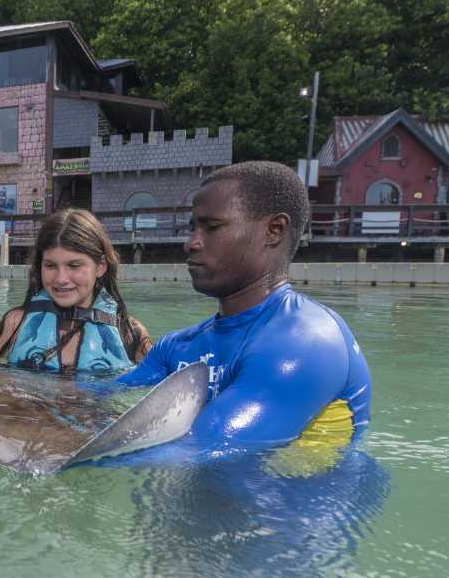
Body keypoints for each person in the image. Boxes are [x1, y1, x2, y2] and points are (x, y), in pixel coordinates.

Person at [109, 161, 371, 467]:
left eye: (212, 227)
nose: (191, 243)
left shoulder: (307, 342)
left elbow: (207, 448)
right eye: (192, 227)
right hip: (195, 505)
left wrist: (51, 457)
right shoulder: (178, 346)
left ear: (274, 230)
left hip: (286, 512)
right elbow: (104, 393)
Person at [0, 208, 153, 374]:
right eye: (51, 266)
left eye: (74, 265)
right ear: (40, 266)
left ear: (101, 266)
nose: (61, 279)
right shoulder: (16, 322)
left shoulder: (129, 333)